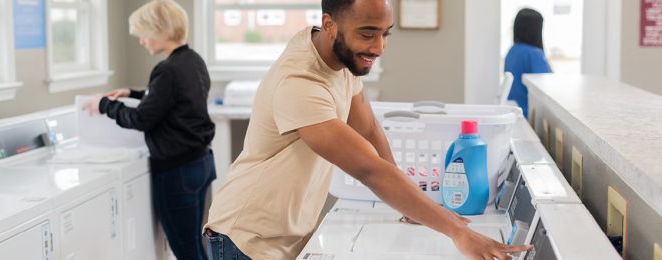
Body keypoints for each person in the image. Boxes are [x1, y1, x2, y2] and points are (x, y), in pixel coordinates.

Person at [203, 0, 532, 259]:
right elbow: (367, 168)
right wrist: (457, 231)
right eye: (367, 33)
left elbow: (369, 128)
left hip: (284, 235)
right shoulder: (300, 83)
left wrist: (411, 204)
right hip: (246, 239)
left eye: (386, 33)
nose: (379, 47)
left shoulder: (338, 58)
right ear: (330, 25)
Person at [82, 1, 215, 259]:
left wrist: (104, 104)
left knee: (186, 250)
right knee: (196, 244)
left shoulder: (166, 70)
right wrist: (133, 93)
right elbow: (177, 98)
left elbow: (142, 119)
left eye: (144, 33)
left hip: (177, 172)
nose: (141, 41)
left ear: (160, 30)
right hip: (202, 164)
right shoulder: (192, 60)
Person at [504, 8, 553, 118]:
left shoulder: (512, 51)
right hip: (528, 115)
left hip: (514, 113)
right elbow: (549, 87)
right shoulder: (534, 54)